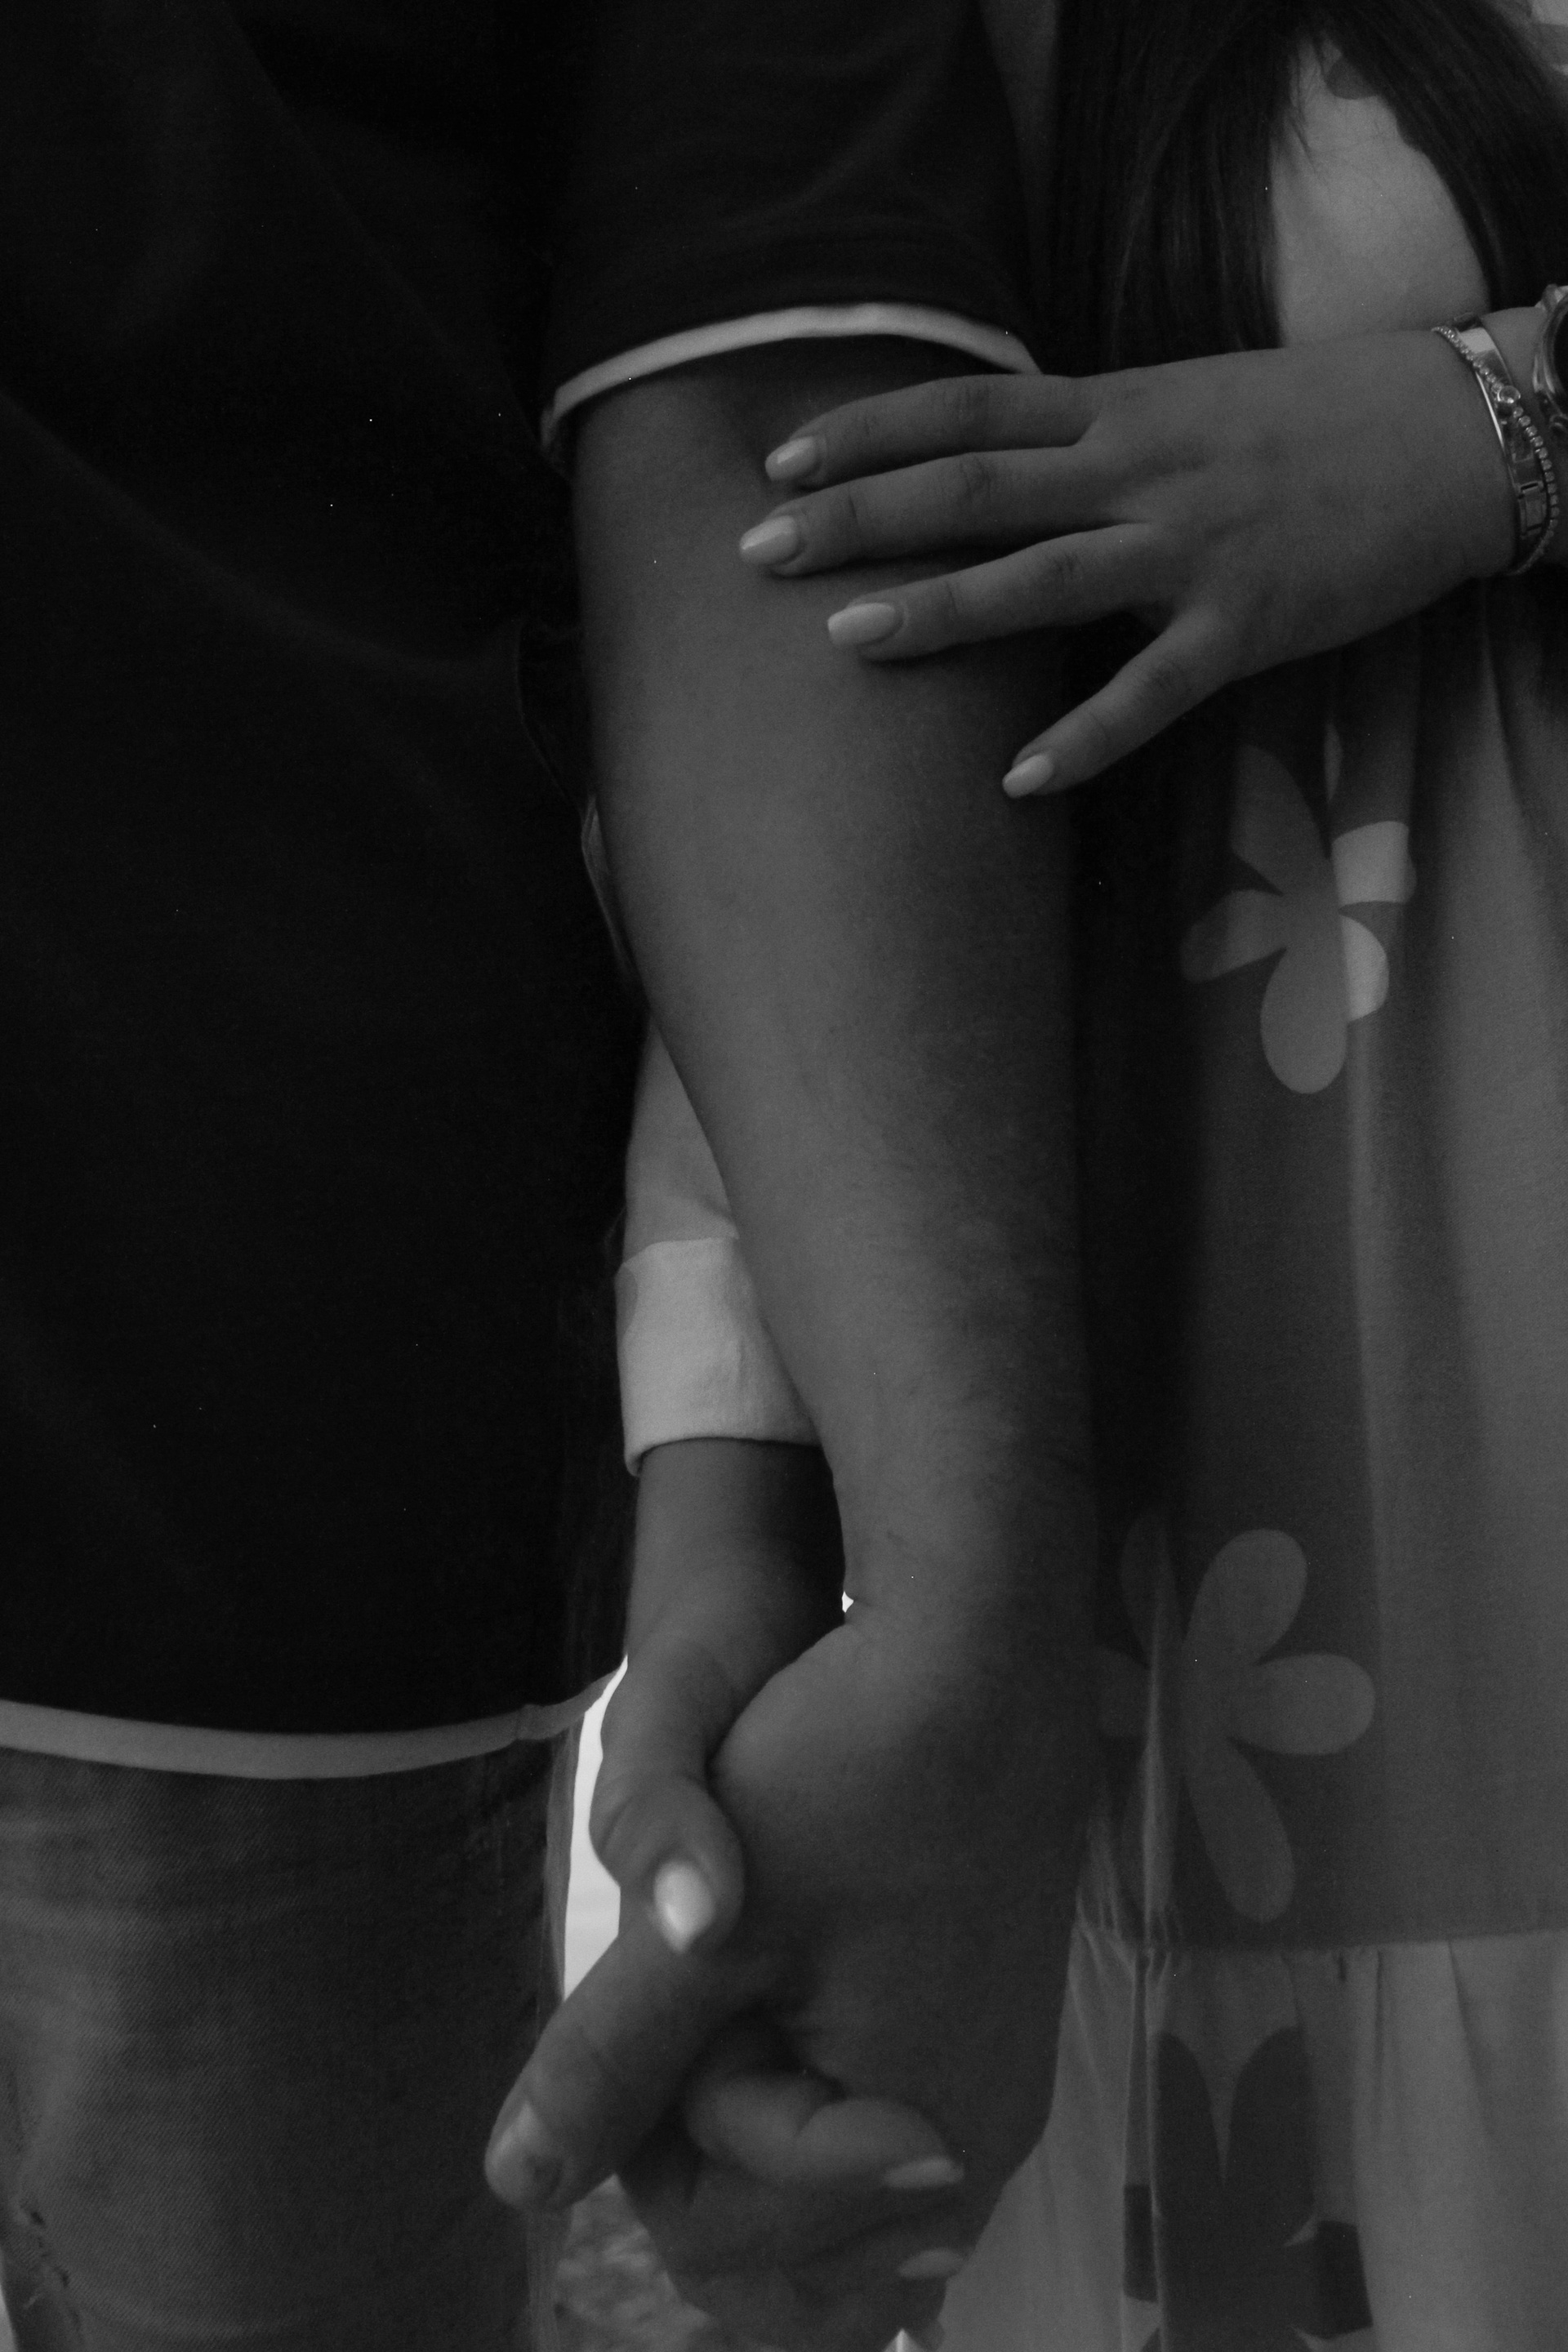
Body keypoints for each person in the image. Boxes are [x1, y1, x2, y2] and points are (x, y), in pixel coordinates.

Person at [0, 1, 1084, 2344]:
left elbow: (786, 445)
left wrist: (966, 1615)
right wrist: (965, 1611)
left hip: (230, 1455)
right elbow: (776, 434)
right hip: (253, 1406)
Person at [498, 2, 1568, 2346]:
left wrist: (1488, 423)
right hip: (1166, 1556)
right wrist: (723, 1528)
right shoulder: (828, 77)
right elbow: (777, 787)